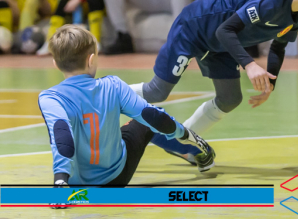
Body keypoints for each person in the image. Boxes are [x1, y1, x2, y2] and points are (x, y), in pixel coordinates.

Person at [129, 0, 298, 163]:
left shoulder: (297, 13)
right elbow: (225, 30)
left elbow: (278, 45)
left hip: (221, 43)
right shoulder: (271, 1)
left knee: (230, 98)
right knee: (157, 91)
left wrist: (270, 83)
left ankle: (179, 141)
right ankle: (108, 91)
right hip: (194, 28)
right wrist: (250, 65)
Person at [38, 25, 215, 198]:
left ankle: (62, 183)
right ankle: (196, 151)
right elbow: (152, 116)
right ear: (91, 60)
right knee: (147, 120)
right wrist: (186, 133)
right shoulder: (113, 85)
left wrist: (60, 181)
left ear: (56, 64)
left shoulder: (50, 98)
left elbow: (62, 137)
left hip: (76, 185)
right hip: (116, 178)